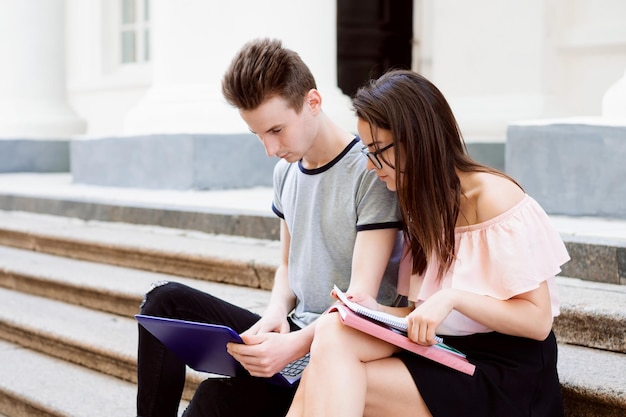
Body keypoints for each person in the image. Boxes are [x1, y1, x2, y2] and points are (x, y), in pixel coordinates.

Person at [135, 38, 404, 417]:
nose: (269, 149)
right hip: (293, 333)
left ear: (313, 102)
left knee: (214, 398)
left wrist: (293, 347)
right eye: (259, 134)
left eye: (276, 130)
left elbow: (360, 302)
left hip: (341, 346)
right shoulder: (286, 172)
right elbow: (287, 264)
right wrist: (276, 312)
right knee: (165, 303)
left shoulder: (369, 171)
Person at [285, 69, 570, 417]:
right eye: (367, 154)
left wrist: (452, 298)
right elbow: (422, 314)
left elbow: (538, 322)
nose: (372, 167)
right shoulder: (420, 205)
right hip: (445, 352)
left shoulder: (493, 197)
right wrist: (368, 309)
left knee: (325, 377)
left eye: (378, 152)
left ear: (415, 139)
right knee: (333, 333)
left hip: (506, 373)